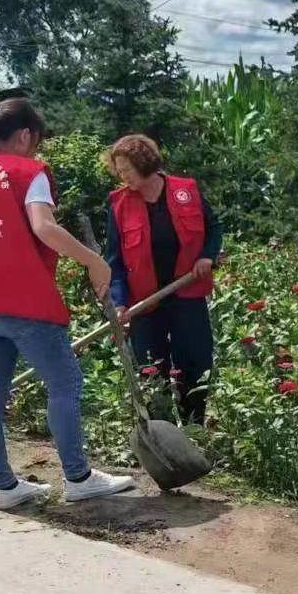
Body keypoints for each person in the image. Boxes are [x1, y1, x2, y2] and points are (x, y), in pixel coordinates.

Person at [0, 97, 135, 510]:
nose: (36, 149)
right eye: (35, 140)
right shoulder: (29, 171)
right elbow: (44, 227)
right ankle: (78, 477)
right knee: (65, 383)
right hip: (22, 301)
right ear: (24, 136)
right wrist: (94, 262)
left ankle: (5, 487)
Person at [104, 135, 222, 425]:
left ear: (144, 163)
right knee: (150, 368)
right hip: (145, 303)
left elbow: (213, 227)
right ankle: (163, 433)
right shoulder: (119, 205)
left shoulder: (187, 190)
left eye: (127, 169)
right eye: (119, 171)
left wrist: (207, 256)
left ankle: (194, 428)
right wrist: (118, 303)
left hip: (187, 294)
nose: (122, 176)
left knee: (195, 362)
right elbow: (115, 261)